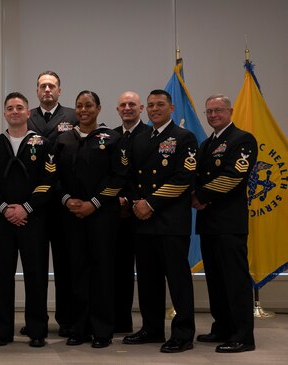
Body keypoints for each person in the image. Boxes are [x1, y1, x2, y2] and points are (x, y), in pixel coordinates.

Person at [51, 91, 128, 348]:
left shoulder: (113, 139)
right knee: (76, 272)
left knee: (102, 272)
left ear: (98, 108)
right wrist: (66, 200)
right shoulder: (63, 139)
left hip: (102, 216)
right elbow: (53, 178)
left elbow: (118, 178)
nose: (84, 110)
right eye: (79, 106)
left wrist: (93, 203)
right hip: (71, 216)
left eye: (89, 106)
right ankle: (79, 327)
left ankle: (102, 330)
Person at [123, 89, 197, 353]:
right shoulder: (140, 138)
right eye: (151, 105)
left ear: (171, 108)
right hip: (142, 220)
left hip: (170, 221)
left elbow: (183, 178)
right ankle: (152, 328)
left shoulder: (184, 138)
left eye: (160, 105)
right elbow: (130, 177)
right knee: (148, 279)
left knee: (177, 279)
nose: (155, 109)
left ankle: (183, 333)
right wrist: (136, 203)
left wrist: (150, 203)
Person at [0, 92, 54, 347]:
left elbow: (48, 182)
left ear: (28, 112)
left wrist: (26, 208)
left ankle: (37, 330)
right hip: (3, 219)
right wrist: (5, 209)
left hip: (33, 219)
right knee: (1, 275)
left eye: (19, 107)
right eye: (9, 108)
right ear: (4, 113)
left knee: (36, 275)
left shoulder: (43, 144)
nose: (14, 111)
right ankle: (1, 330)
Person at [192, 94, 257, 353]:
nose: (213, 115)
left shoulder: (242, 139)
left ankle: (243, 336)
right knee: (216, 280)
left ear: (230, 111)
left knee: (235, 280)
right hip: (209, 223)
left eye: (218, 110)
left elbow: (234, 176)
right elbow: (196, 173)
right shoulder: (207, 144)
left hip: (230, 223)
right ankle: (222, 327)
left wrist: (202, 197)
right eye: (209, 111)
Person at [25, 71, 77, 337]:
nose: (47, 90)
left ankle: (66, 319)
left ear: (59, 90)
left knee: (65, 263)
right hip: (34, 201)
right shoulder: (26, 115)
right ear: (36, 91)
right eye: (42, 86)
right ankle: (36, 319)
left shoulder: (73, 116)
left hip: (62, 201)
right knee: (35, 265)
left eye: (52, 86)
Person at [112, 91, 151, 333]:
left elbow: (145, 175)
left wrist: (130, 199)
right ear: (117, 109)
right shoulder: (112, 136)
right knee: (119, 270)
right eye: (123, 105)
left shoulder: (150, 135)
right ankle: (121, 321)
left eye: (132, 105)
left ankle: (149, 325)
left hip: (144, 211)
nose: (127, 108)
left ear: (141, 108)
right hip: (117, 214)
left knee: (147, 272)